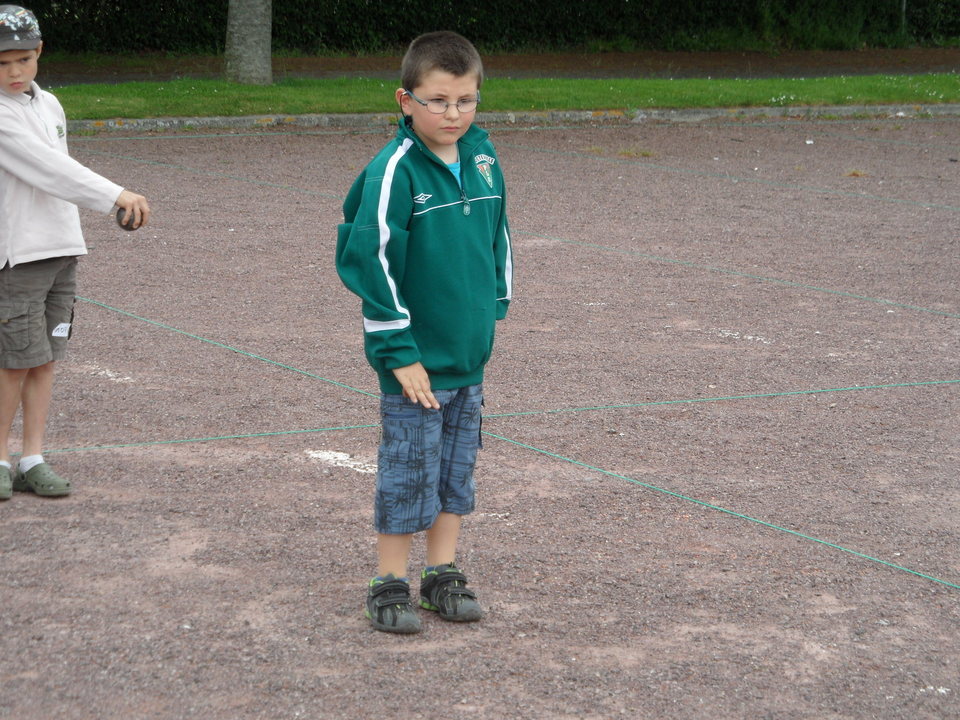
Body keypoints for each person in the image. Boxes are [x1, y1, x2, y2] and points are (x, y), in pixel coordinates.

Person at [336, 31, 513, 633]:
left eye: (466, 100)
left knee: (455, 474)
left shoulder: (485, 159)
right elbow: (370, 262)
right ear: (405, 100)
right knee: (408, 469)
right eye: (438, 100)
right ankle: (388, 583)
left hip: (467, 358)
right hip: (413, 364)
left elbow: (498, 239)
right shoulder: (393, 171)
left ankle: (441, 574)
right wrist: (398, 351)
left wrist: (494, 309)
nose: (453, 113)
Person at [0, 5, 150, 501]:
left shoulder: (51, 105)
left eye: (23, 59)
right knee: (12, 363)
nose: (14, 71)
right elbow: (48, 169)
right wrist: (115, 196)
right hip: (16, 257)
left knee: (43, 361)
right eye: (2, 63)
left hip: (62, 250)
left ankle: (33, 458)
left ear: (39, 52)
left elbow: (61, 167)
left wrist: (102, 202)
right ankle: (0, 460)